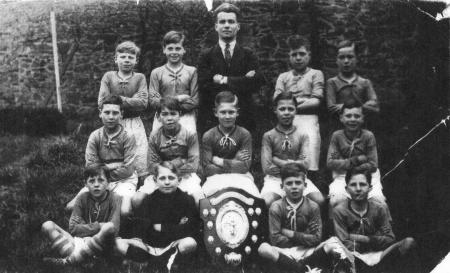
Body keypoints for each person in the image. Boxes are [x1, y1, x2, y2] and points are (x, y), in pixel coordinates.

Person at [258, 163, 352, 273]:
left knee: (334, 243)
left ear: (305, 185)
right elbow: (276, 240)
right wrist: (305, 235)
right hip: (284, 252)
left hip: (308, 251)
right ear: (282, 187)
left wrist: (288, 233)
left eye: (298, 183)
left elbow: (316, 239)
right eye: (289, 183)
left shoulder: (313, 206)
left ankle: (294, 268)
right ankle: (303, 269)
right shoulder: (276, 207)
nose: (294, 187)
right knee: (263, 248)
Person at [114, 163, 199, 271]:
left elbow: (190, 229)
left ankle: (157, 261)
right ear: (155, 180)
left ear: (179, 179)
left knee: (190, 242)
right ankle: (155, 261)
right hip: (150, 246)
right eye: (162, 178)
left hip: (172, 245)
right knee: (118, 243)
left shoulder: (187, 200)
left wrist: (161, 227)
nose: (167, 182)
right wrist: (175, 226)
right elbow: (144, 228)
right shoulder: (149, 200)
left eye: (171, 178)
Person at [332, 169, 419, 272]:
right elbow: (345, 243)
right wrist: (376, 239)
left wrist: (362, 238)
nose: (358, 189)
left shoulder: (379, 208)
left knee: (409, 242)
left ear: (370, 188)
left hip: (380, 255)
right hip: (356, 259)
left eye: (363, 184)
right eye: (353, 185)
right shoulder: (339, 211)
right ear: (347, 189)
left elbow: (390, 238)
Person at [197, 2, 264, 132]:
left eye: (231, 21)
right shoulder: (206, 55)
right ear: (216, 26)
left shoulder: (248, 54)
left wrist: (223, 80)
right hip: (213, 121)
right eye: (222, 22)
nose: (227, 25)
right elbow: (204, 84)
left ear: (238, 26)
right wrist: (242, 80)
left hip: (243, 119)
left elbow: (256, 82)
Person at [67, 95, 137, 211]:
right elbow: (91, 167)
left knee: (124, 211)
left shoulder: (128, 136)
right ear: (100, 113)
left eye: (115, 113)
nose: (111, 117)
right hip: (98, 179)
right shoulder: (95, 136)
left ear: (121, 114)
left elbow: (128, 170)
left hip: (124, 180)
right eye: (107, 112)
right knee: (70, 207)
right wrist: (113, 166)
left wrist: (102, 169)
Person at [42, 165, 121, 265]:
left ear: (108, 183)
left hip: (102, 242)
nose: (96, 185)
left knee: (109, 227)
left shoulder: (115, 198)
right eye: (91, 181)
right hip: (80, 240)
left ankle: (69, 261)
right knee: (47, 225)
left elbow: (114, 229)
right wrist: (99, 226)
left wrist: (90, 232)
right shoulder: (82, 198)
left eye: (101, 180)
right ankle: (85, 259)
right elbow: (73, 229)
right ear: (86, 184)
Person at [274, 35, 324, 184]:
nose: (298, 58)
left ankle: (311, 181)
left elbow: (316, 100)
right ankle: (287, 180)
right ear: (289, 57)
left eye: (302, 54)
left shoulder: (316, 74)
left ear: (309, 55)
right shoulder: (283, 77)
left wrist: (292, 104)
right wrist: (301, 101)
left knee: (311, 143)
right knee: (286, 148)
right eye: (294, 54)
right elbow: (276, 98)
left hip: (308, 118)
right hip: (287, 118)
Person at [135, 97, 203, 207]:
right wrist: (180, 161)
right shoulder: (154, 136)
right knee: (137, 200)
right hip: (161, 176)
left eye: (173, 113)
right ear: (158, 117)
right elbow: (151, 165)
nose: (169, 118)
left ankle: (193, 223)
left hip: (184, 175)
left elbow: (193, 165)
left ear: (180, 115)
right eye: (165, 114)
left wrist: (171, 171)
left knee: (199, 201)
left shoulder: (190, 135)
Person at [98, 41, 149, 186]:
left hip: (134, 123)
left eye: (130, 57)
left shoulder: (139, 78)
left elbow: (143, 103)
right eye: (123, 57)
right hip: (114, 122)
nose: (126, 60)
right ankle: (113, 184)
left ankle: (141, 188)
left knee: (139, 155)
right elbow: (102, 101)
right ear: (116, 59)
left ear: (136, 60)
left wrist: (118, 99)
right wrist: (130, 101)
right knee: (116, 153)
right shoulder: (108, 77)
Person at [261, 92, 324, 208]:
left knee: (318, 200)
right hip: (275, 180)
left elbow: (305, 164)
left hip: (298, 178)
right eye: (282, 109)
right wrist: (295, 164)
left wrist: (278, 161)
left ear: (295, 110)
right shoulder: (269, 136)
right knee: (267, 201)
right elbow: (267, 167)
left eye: (290, 109)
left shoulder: (302, 135)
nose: (286, 113)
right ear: (275, 110)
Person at [327, 101, 385, 207]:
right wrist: (356, 160)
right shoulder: (337, 136)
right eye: (348, 116)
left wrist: (348, 166)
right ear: (341, 118)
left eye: (357, 116)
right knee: (337, 199)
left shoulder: (368, 136)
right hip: (342, 176)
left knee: (378, 201)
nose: (352, 119)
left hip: (367, 176)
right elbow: (331, 162)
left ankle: (381, 223)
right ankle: (338, 223)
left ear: (362, 118)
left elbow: (373, 164)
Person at [201, 91, 260, 198]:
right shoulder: (208, 135)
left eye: (231, 112)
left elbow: (244, 167)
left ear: (237, 112)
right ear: (215, 112)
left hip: (241, 177)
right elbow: (207, 169)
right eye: (223, 112)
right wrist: (234, 161)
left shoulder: (244, 134)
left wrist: (221, 161)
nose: (227, 116)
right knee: (207, 199)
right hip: (215, 178)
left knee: (253, 197)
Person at [149, 31, 198, 133]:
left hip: (186, 118)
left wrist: (165, 103)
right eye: (170, 48)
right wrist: (179, 98)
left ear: (184, 50)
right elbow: (153, 101)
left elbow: (194, 101)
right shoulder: (157, 72)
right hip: (162, 117)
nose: (174, 52)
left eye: (178, 48)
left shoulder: (192, 71)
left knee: (186, 146)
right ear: (164, 50)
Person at [326, 40, 379, 120]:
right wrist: (359, 105)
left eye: (350, 57)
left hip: (362, 125)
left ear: (357, 59)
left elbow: (375, 105)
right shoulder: (332, 82)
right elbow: (332, 108)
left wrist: (344, 105)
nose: (346, 61)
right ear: (336, 61)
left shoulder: (365, 82)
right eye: (342, 57)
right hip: (339, 126)